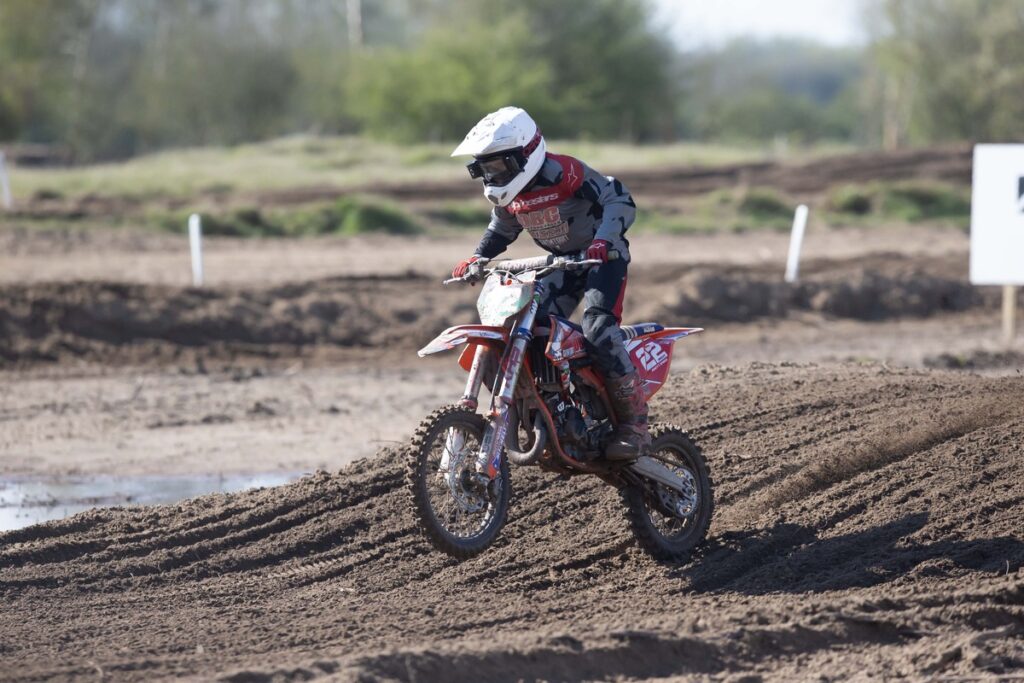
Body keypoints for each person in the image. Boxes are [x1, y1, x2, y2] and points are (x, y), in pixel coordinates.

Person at [449, 106, 648, 460]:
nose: (493, 175)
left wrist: (604, 239)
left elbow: (618, 198)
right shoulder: (512, 197)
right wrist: (478, 256)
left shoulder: (562, 172)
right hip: (560, 263)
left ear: (526, 153)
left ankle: (634, 425)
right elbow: (503, 227)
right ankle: (555, 407)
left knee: (598, 329)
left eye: (499, 166)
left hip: (603, 259)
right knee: (530, 328)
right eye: (485, 168)